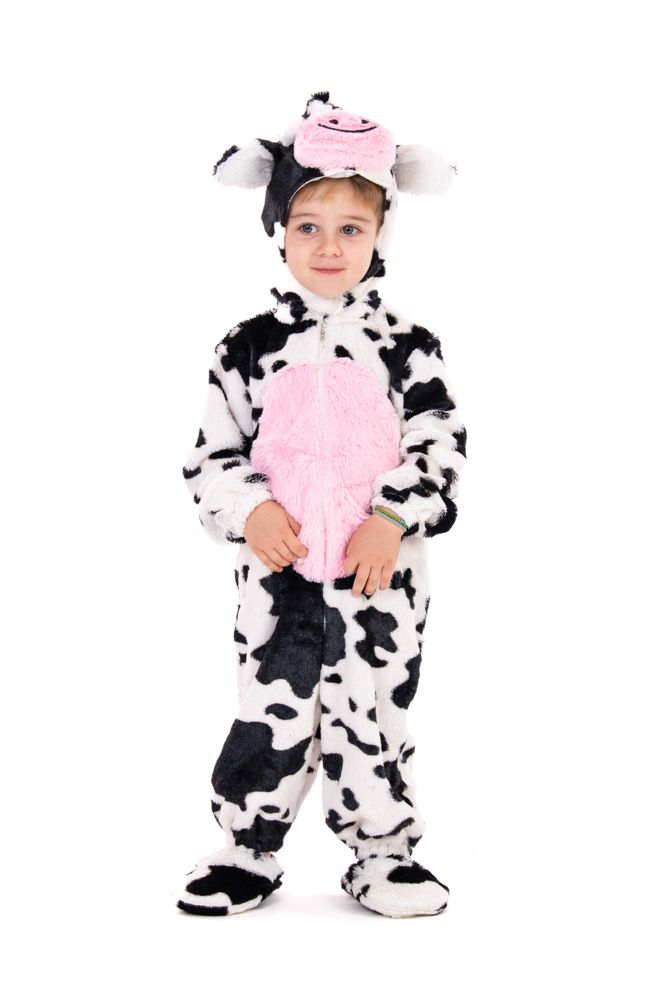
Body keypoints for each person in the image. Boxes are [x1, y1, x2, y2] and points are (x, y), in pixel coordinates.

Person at [176, 91, 467, 919]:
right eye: (307, 226)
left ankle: (383, 854)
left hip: (381, 580)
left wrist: (392, 517)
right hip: (279, 576)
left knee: (376, 711)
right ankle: (246, 849)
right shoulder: (246, 346)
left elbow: (441, 442)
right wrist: (251, 510)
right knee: (267, 711)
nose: (329, 246)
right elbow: (210, 456)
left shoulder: (408, 346)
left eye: (350, 227)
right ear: (278, 229)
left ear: (380, 234)